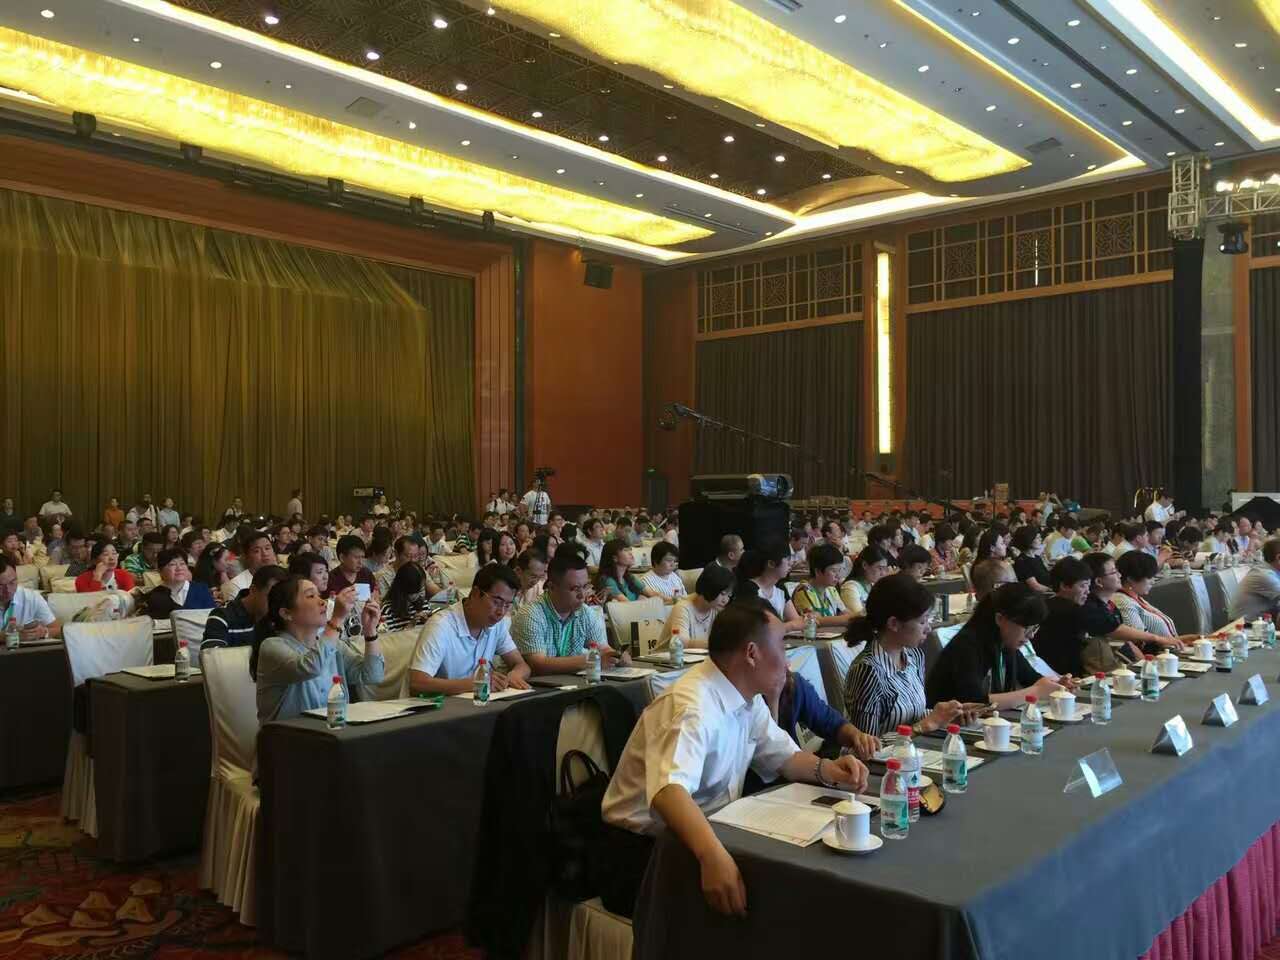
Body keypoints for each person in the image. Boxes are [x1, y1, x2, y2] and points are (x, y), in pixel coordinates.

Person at [599, 602, 869, 918]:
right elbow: (668, 792)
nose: (787, 660)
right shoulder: (692, 706)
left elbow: (785, 758)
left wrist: (830, 771)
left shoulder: (746, 696)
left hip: (708, 832)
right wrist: (712, 856)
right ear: (752, 654)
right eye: (782, 646)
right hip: (642, 854)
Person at [844, 574, 975, 737]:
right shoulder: (867, 671)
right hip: (884, 754)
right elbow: (866, 746)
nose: (928, 628)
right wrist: (923, 726)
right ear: (894, 624)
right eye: (922, 622)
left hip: (912, 750)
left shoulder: (914, 656)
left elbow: (913, 715)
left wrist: (948, 715)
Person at [252, 577, 384, 723]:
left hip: (332, 731)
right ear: (286, 613)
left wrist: (370, 631)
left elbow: (372, 676)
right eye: (311, 596)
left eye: (319, 595)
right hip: (287, 735)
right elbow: (310, 667)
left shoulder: (334, 644)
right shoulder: (271, 646)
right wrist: (336, 620)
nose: (322, 602)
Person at [925, 582, 1068, 708]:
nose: (1031, 636)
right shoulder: (966, 645)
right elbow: (974, 702)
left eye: (1035, 628)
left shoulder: (1005, 641)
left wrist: (1056, 685)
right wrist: (1035, 692)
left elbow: (1031, 679)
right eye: (1027, 628)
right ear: (1000, 619)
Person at [406, 565, 531, 694]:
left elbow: (521, 665)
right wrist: (477, 683)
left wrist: (514, 676)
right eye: (496, 602)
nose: (501, 612)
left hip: (475, 703)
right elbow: (418, 683)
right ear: (475, 594)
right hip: (438, 705)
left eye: (507, 605)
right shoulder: (441, 625)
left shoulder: (496, 624)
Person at [512, 549, 628, 674]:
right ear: (552, 587)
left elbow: (603, 649)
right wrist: (592, 660)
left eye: (585, 586)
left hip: (568, 683)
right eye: (575, 588)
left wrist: (616, 657)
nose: (582, 595)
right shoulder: (531, 615)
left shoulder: (585, 612)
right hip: (533, 684)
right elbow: (538, 664)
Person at [1113, 551, 1196, 652]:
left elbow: (1162, 639)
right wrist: (1174, 643)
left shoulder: (1136, 598)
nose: (1153, 581)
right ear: (1131, 579)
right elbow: (1141, 643)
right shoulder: (1123, 602)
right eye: (1149, 577)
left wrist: (1183, 640)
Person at [203, 564, 288, 654]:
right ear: (253, 590)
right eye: (271, 597)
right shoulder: (222, 616)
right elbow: (212, 657)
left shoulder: (278, 618)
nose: (276, 603)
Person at [1032, 557, 1095, 677]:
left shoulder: (1045, 604)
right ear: (1064, 586)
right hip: (1067, 676)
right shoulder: (1073, 612)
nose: (1087, 591)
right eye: (1083, 586)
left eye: (1088, 586)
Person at [659, 564, 735, 649]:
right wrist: (717, 644)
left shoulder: (716, 608)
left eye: (729, 595)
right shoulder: (682, 607)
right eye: (723, 594)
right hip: (667, 656)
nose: (725, 600)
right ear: (710, 588)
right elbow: (681, 642)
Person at [735, 542, 802, 628]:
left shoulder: (780, 588)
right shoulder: (749, 589)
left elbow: (797, 620)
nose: (791, 563)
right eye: (787, 559)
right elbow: (762, 628)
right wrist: (790, 626)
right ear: (771, 564)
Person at [792, 543, 855, 627]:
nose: (838, 575)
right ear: (818, 571)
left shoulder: (831, 589)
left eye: (839, 570)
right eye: (834, 571)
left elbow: (845, 612)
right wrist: (848, 618)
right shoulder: (803, 591)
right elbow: (816, 621)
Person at [0, 555, 61, 640]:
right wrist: (9, 636)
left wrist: (43, 632)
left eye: (12, 582)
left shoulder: (31, 597)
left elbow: (57, 629)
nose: (8, 590)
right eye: (1, 586)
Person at [223, 530, 278, 602]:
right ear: (246, 557)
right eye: (257, 551)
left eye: (267, 548)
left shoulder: (283, 577)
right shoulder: (236, 586)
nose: (265, 554)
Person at [1234, 539, 1280, 620]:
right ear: (1278, 558)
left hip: (1260, 619)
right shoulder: (1265, 575)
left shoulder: (1270, 570)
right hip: (1243, 624)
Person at [380, 562, 433, 633]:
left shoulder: (424, 604)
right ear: (405, 589)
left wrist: (428, 622)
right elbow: (387, 637)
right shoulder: (388, 610)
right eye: (417, 590)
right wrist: (410, 625)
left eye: (422, 589)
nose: (420, 594)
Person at [840, 544, 891, 616]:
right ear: (865, 565)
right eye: (880, 568)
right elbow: (860, 618)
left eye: (885, 569)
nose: (883, 573)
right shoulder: (850, 588)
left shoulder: (873, 584)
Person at [1010, 526, 1051, 592]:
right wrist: (1052, 590)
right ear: (1029, 540)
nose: (1041, 539)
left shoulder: (1037, 557)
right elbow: (1035, 586)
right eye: (1037, 537)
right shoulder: (1022, 561)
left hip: (1047, 590)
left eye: (1040, 537)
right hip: (1038, 594)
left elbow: (1046, 575)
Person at [512, 549, 548, 613]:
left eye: (539, 577)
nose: (535, 582)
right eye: (533, 576)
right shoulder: (503, 589)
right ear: (518, 571)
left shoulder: (537, 588)